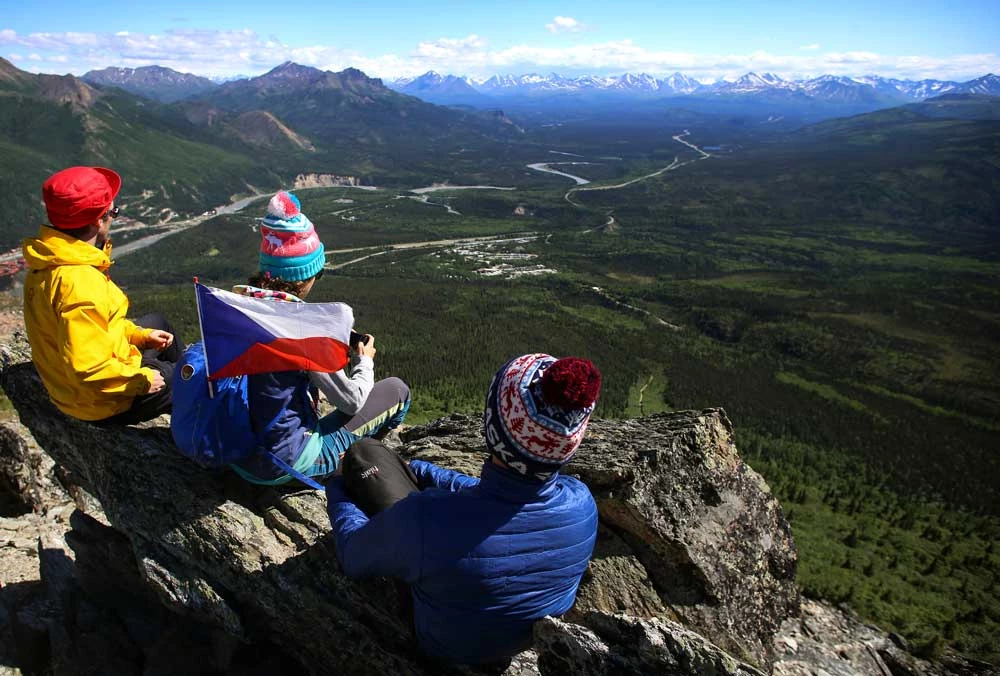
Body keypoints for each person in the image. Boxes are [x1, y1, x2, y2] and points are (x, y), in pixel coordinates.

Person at [326, 353, 602, 665]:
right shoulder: (582, 503)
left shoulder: (426, 519)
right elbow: (493, 501)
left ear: (492, 423)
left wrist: (336, 486)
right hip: (517, 644)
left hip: (441, 645)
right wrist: (422, 471)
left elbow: (352, 553)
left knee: (364, 454)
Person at [229, 190, 410, 486]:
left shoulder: (239, 309)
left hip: (237, 453)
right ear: (306, 276)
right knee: (397, 390)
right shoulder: (301, 334)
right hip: (283, 464)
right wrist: (364, 363)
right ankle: (363, 461)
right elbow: (351, 402)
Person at [22, 166, 183, 424]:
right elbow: (88, 368)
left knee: (158, 323)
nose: (113, 217)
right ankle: (196, 424)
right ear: (99, 220)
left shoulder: (48, 260)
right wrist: (141, 381)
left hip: (70, 387)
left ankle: (180, 400)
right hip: (99, 402)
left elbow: (96, 328)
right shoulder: (81, 283)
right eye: (113, 212)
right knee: (195, 372)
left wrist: (139, 335)